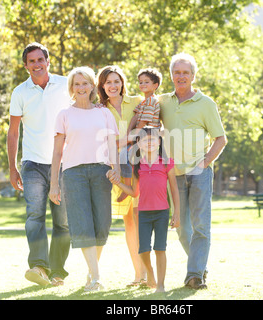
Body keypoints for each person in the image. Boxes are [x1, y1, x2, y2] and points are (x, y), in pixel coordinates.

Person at [159, 53, 227, 290]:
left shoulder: (206, 103)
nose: (181, 76)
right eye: (176, 72)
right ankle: (199, 265)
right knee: (181, 227)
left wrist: (205, 162)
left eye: (185, 72)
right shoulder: (163, 102)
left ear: (193, 76)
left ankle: (194, 274)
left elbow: (220, 138)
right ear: (171, 75)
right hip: (174, 175)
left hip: (199, 173)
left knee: (200, 226)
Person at [49, 66, 119, 291]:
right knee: (83, 225)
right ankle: (96, 277)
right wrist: (53, 184)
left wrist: (115, 168)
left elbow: (112, 145)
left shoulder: (104, 113)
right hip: (73, 174)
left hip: (101, 172)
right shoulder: (64, 115)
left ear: (91, 86)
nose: (81, 87)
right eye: (76, 84)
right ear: (72, 88)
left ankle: (91, 273)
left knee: (102, 226)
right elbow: (57, 152)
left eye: (85, 83)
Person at [7, 42, 71, 287]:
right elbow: (13, 133)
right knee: (35, 215)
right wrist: (13, 168)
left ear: (48, 61)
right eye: (31, 61)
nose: (36, 64)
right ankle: (39, 266)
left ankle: (57, 271)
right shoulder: (20, 92)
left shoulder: (66, 85)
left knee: (63, 221)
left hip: (64, 163)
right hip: (32, 163)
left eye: (39, 60)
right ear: (26, 66)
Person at [107, 127, 180, 293]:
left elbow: (174, 189)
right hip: (143, 213)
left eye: (152, 139)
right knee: (143, 249)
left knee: (160, 248)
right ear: (138, 143)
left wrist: (177, 213)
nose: (149, 142)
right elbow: (134, 192)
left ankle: (160, 285)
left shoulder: (167, 162)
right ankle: (150, 271)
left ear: (159, 141)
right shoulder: (137, 166)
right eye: (144, 140)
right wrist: (118, 183)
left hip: (162, 212)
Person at [97, 65, 146, 286]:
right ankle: (93, 274)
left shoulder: (136, 102)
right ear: (102, 86)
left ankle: (140, 274)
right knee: (100, 220)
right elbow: (99, 141)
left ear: (122, 83)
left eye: (116, 81)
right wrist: (126, 139)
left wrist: (124, 140)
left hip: (137, 168)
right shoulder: (98, 109)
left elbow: (148, 129)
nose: (113, 86)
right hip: (108, 168)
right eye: (108, 82)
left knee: (133, 222)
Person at [116, 68, 163, 202]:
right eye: (140, 82)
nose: (142, 84)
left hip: (148, 136)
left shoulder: (152, 101)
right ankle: (129, 186)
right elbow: (136, 117)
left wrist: (132, 137)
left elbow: (144, 122)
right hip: (138, 135)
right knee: (124, 155)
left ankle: (130, 188)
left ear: (155, 85)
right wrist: (128, 133)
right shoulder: (143, 102)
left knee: (126, 156)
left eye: (146, 82)